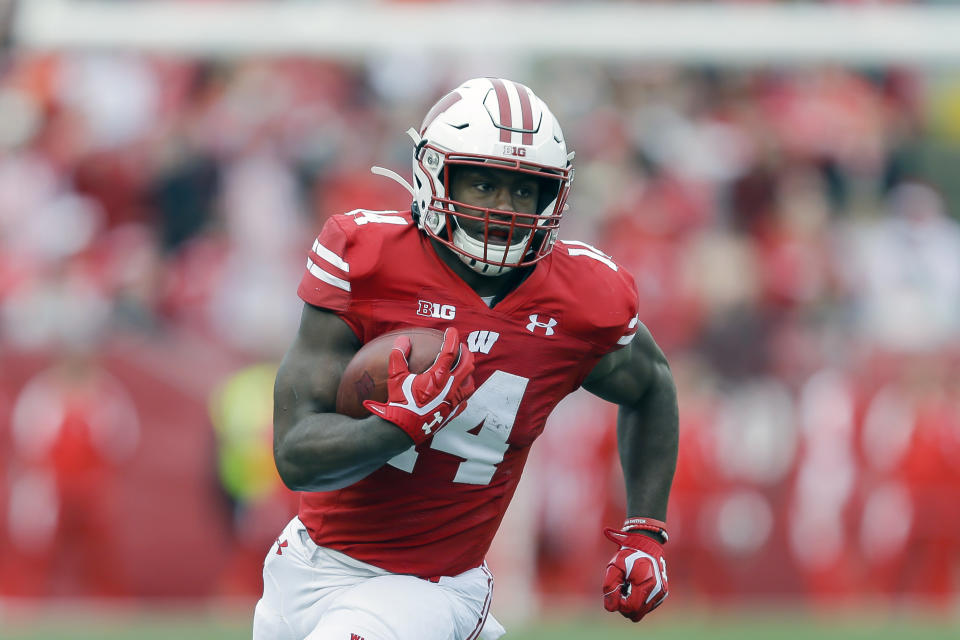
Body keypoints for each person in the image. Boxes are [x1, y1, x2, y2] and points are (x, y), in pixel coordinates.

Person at [253, 77, 678, 640]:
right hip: (305, 565)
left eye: (525, 191)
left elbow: (652, 386)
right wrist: (400, 428)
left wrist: (645, 530)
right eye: (481, 184)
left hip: (430, 588)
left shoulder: (582, 300)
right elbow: (295, 454)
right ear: (433, 174)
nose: (504, 209)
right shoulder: (367, 259)